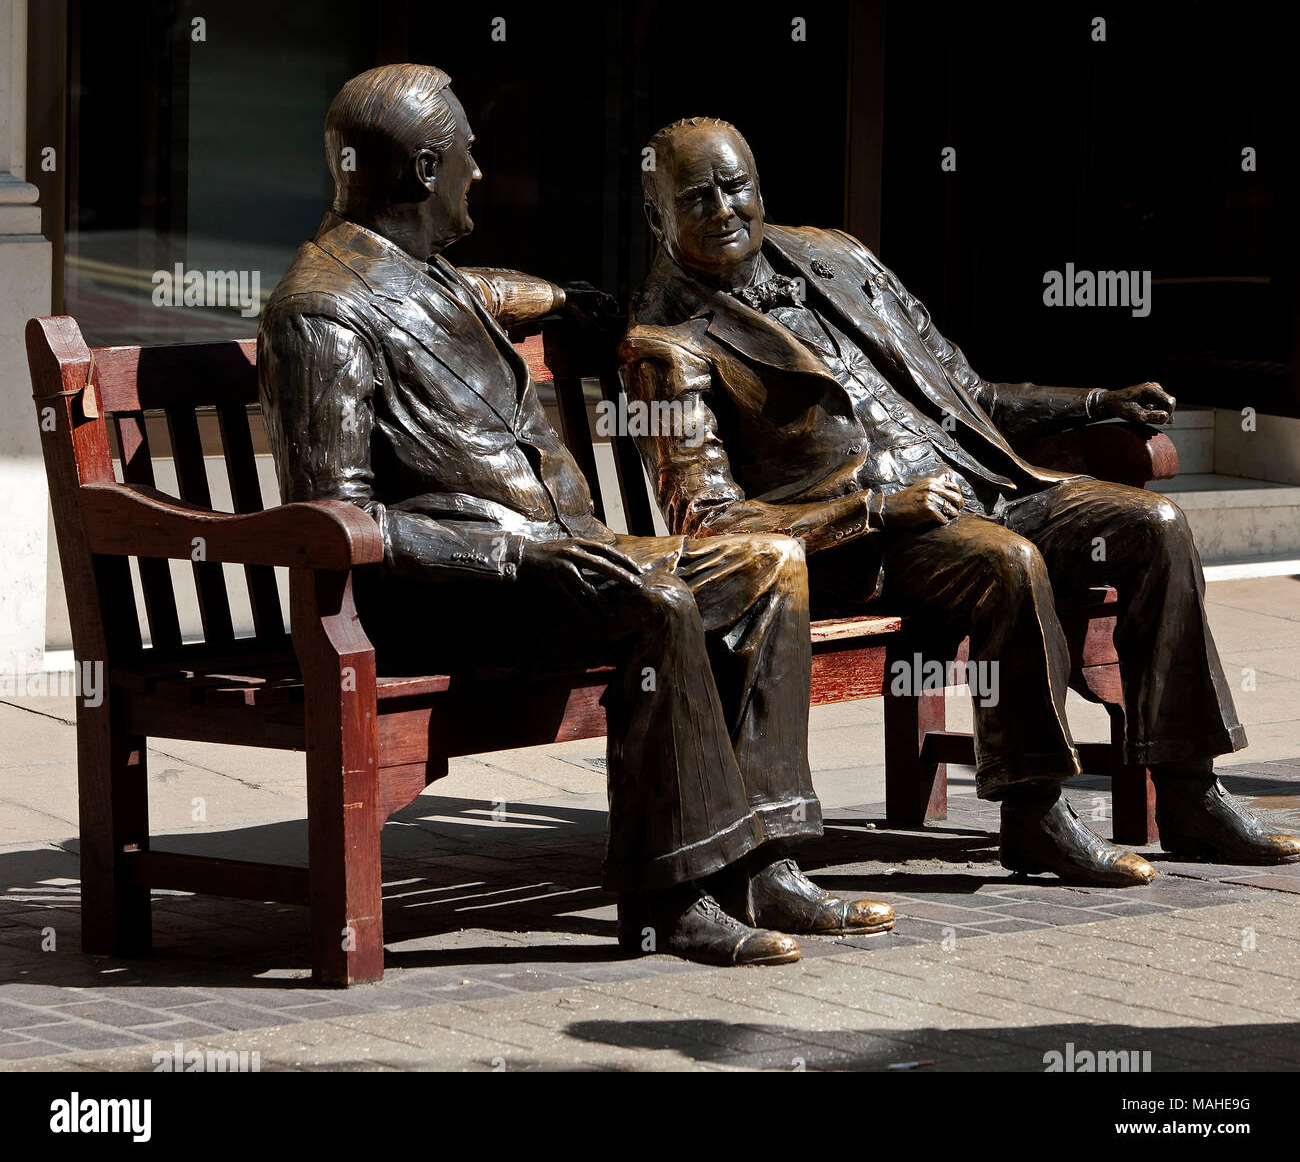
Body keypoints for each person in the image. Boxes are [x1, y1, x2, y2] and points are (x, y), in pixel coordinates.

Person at [258, 67, 895, 968]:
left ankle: (768, 864)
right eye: (468, 158)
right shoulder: (320, 311)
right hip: (445, 603)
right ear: (423, 172)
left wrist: (563, 299)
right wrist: (517, 559)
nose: (480, 173)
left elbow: (492, 292)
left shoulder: (420, 273)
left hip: (558, 565)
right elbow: (339, 523)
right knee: (662, 601)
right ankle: (670, 897)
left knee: (767, 561)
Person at [620, 115, 1300, 886]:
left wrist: (1093, 401)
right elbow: (708, 522)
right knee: (1006, 563)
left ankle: (1188, 792)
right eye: (696, 196)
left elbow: (969, 395)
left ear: (760, 185)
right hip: (864, 550)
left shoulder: (839, 256)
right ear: (657, 218)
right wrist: (877, 511)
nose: (722, 209)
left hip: (986, 488)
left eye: (735, 186)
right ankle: (1034, 808)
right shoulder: (664, 344)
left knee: (1155, 526)